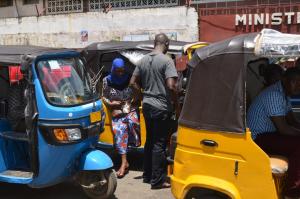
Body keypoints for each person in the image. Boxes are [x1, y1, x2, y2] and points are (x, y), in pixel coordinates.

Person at [129, 33, 179, 189]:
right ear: (167, 44)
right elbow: (171, 86)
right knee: (159, 143)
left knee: (150, 141)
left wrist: (141, 94)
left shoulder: (143, 60)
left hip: (148, 106)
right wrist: (176, 104)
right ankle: (157, 181)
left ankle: (147, 175)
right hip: (161, 107)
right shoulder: (167, 61)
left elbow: (132, 82)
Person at [247, 67, 300, 199]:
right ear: (284, 80)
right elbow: (283, 128)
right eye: (295, 81)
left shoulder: (284, 94)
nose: (298, 86)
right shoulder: (274, 94)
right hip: (258, 138)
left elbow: (292, 121)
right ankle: (291, 191)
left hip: (269, 135)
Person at [102, 58, 140, 178]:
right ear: (113, 69)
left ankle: (126, 159)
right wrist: (110, 103)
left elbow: (138, 93)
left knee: (133, 122)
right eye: (117, 71)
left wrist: (132, 101)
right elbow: (104, 97)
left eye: (122, 70)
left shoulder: (129, 78)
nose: (120, 73)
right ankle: (124, 162)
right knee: (120, 130)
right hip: (116, 111)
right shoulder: (106, 80)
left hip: (130, 109)